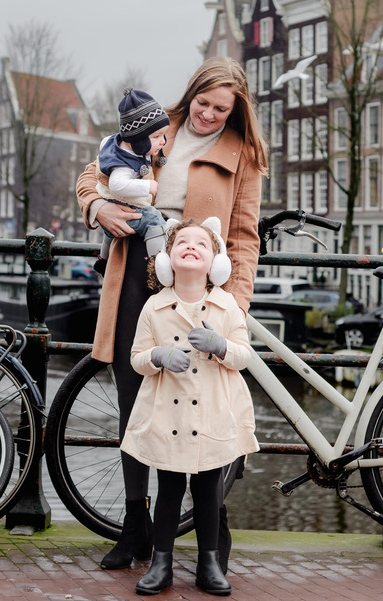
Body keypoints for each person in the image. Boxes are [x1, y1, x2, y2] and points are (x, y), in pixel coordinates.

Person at [76, 56, 266, 572]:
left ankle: (212, 528)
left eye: (220, 109)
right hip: (137, 277)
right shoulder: (156, 127)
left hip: (201, 286)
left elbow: (245, 240)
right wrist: (98, 208)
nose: (207, 115)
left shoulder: (243, 155)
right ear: (190, 95)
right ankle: (134, 528)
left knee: (210, 398)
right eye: (202, 103)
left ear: (236, 109)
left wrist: (236, 308)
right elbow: (92, 175)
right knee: (136, 401)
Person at [124, 218, 257, 596]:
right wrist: (159, 355)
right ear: (167, 258)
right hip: (169, 414)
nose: (191, 247)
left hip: (212, 412)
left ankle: (209, 562)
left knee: (208, 491)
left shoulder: (226, 304)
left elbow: (244, 355)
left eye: (202, 243)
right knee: (168, 489)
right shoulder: (155, 307)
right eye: (182, 241)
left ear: (214, 261)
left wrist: (220, 346)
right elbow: (136, 357)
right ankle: (161, 562)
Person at [93, 88, 171, 276]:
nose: (162, 142)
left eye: (163, 135)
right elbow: (116, 185)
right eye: (156, 137)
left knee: (109, 233)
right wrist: (147, 186)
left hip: (111, 202)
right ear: (138, 139)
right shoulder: (124, 165)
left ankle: (102, 261)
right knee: (153, 220)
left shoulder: (119, 144)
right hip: (121, 204)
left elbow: (105, 142)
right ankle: (157, 266)